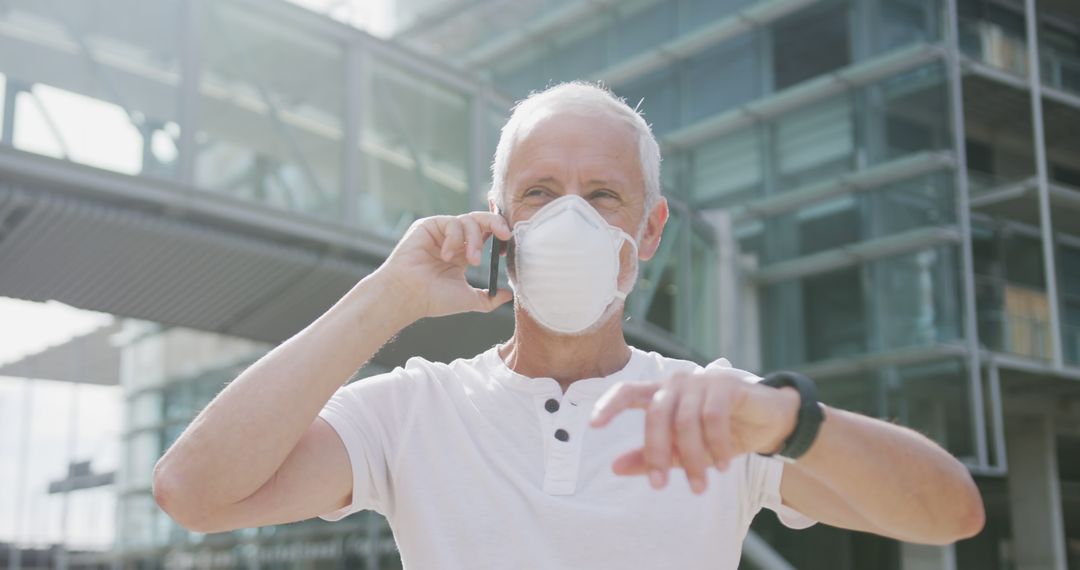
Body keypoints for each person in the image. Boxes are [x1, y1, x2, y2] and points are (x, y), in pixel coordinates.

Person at [153, 81, 985, 569]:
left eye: (604, 196)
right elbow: (192, 492)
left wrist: (787, 419)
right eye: (542, 194)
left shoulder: (713, 412)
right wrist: (386, 297)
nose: (571, 219)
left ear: (649, 232)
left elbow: (948, 514)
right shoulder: (413, 410)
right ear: (499, 219)